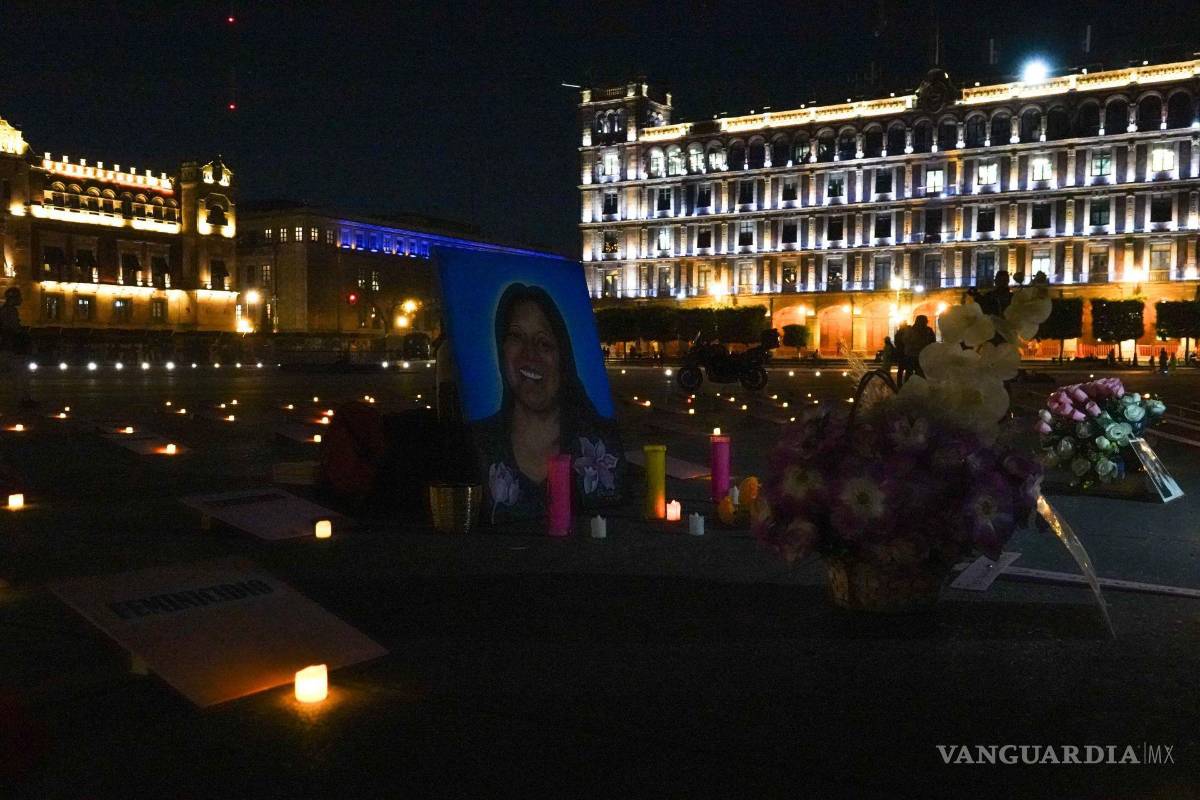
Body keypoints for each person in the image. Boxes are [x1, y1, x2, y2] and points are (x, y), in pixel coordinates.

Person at [475, 283, 623, 523]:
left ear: (563, 357)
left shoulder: (602, 440)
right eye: (516, 338)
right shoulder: (480, 441)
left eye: (544, 343)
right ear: (501, 349)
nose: (529, 355)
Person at [0, 287, 34, 409]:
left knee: (16, 374)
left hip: (7, 347)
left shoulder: (5, 310)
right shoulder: (9, 311)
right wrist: (23, 335)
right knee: (20, 374)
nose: (21, 299)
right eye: (19, 297)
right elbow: (13, 329)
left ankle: (24, 398)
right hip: (10, 348)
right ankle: (24, 399)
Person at [900, 315, 936, 379]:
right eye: (924, 322)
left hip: (920, 355)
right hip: (912, 355)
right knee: (911, 373)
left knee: (919, 374)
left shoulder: (928, 330)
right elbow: (905, 341)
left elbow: (932, 341)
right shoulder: (911, 330)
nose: (925, 323)